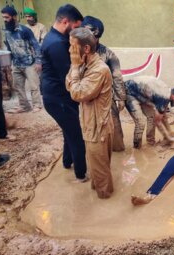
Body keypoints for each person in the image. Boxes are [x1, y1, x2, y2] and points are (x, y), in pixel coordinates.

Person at [66, 27, 114, 199]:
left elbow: (77, 93)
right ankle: (101, 194)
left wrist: (73, 65)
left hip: (98, 128)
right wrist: (75, 67)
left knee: (100, 172)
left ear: (86, 48)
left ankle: (106, 211)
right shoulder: (84, 65)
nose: (70, 50)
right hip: (91, 125)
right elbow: (69, 84)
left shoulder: (99, 70)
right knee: (96, 167)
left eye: (73, 46)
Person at [41, 4, 87, 182]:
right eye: (76, 27)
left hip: (56, 96)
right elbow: (68, 78)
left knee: (69, 131)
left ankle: (67, 162)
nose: (76, 32)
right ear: (66, 21)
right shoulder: (57, 44)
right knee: (76, 136)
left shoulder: (54, 37)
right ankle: (81, 175)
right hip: (58, 99)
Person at [81, 16, 126, 152]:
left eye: (90, 35)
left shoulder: (108, 55)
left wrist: (121, 98)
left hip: (105, 97)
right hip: (84, 98)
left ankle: (117, 149)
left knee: (114, 124)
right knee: (87, 127)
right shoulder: (76, 52)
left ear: (97, 36)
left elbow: (117, 76)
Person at [124, 76, 174, 149]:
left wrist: (169, 131)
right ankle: (137, 148)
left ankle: (150, 143)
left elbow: (163, 116)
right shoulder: (163, 97)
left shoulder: (168, 92)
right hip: (129, 91)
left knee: (152, 116)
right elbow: (158, 122)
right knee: (141, 122)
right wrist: (169, 138)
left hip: (141, 93)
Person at [1, 6, 42, 113]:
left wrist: (38, 61)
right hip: (16, 64)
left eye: (7, 17)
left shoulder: (25, 30)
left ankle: (37, 105)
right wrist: (9, 63)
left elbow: (36, 46)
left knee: (34, 86)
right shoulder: (6, 32)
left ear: (14, 17)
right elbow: (9, 48)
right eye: (3, 17)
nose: (5, 20)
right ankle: (24, 106)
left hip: (30, 63)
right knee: (17, 86)